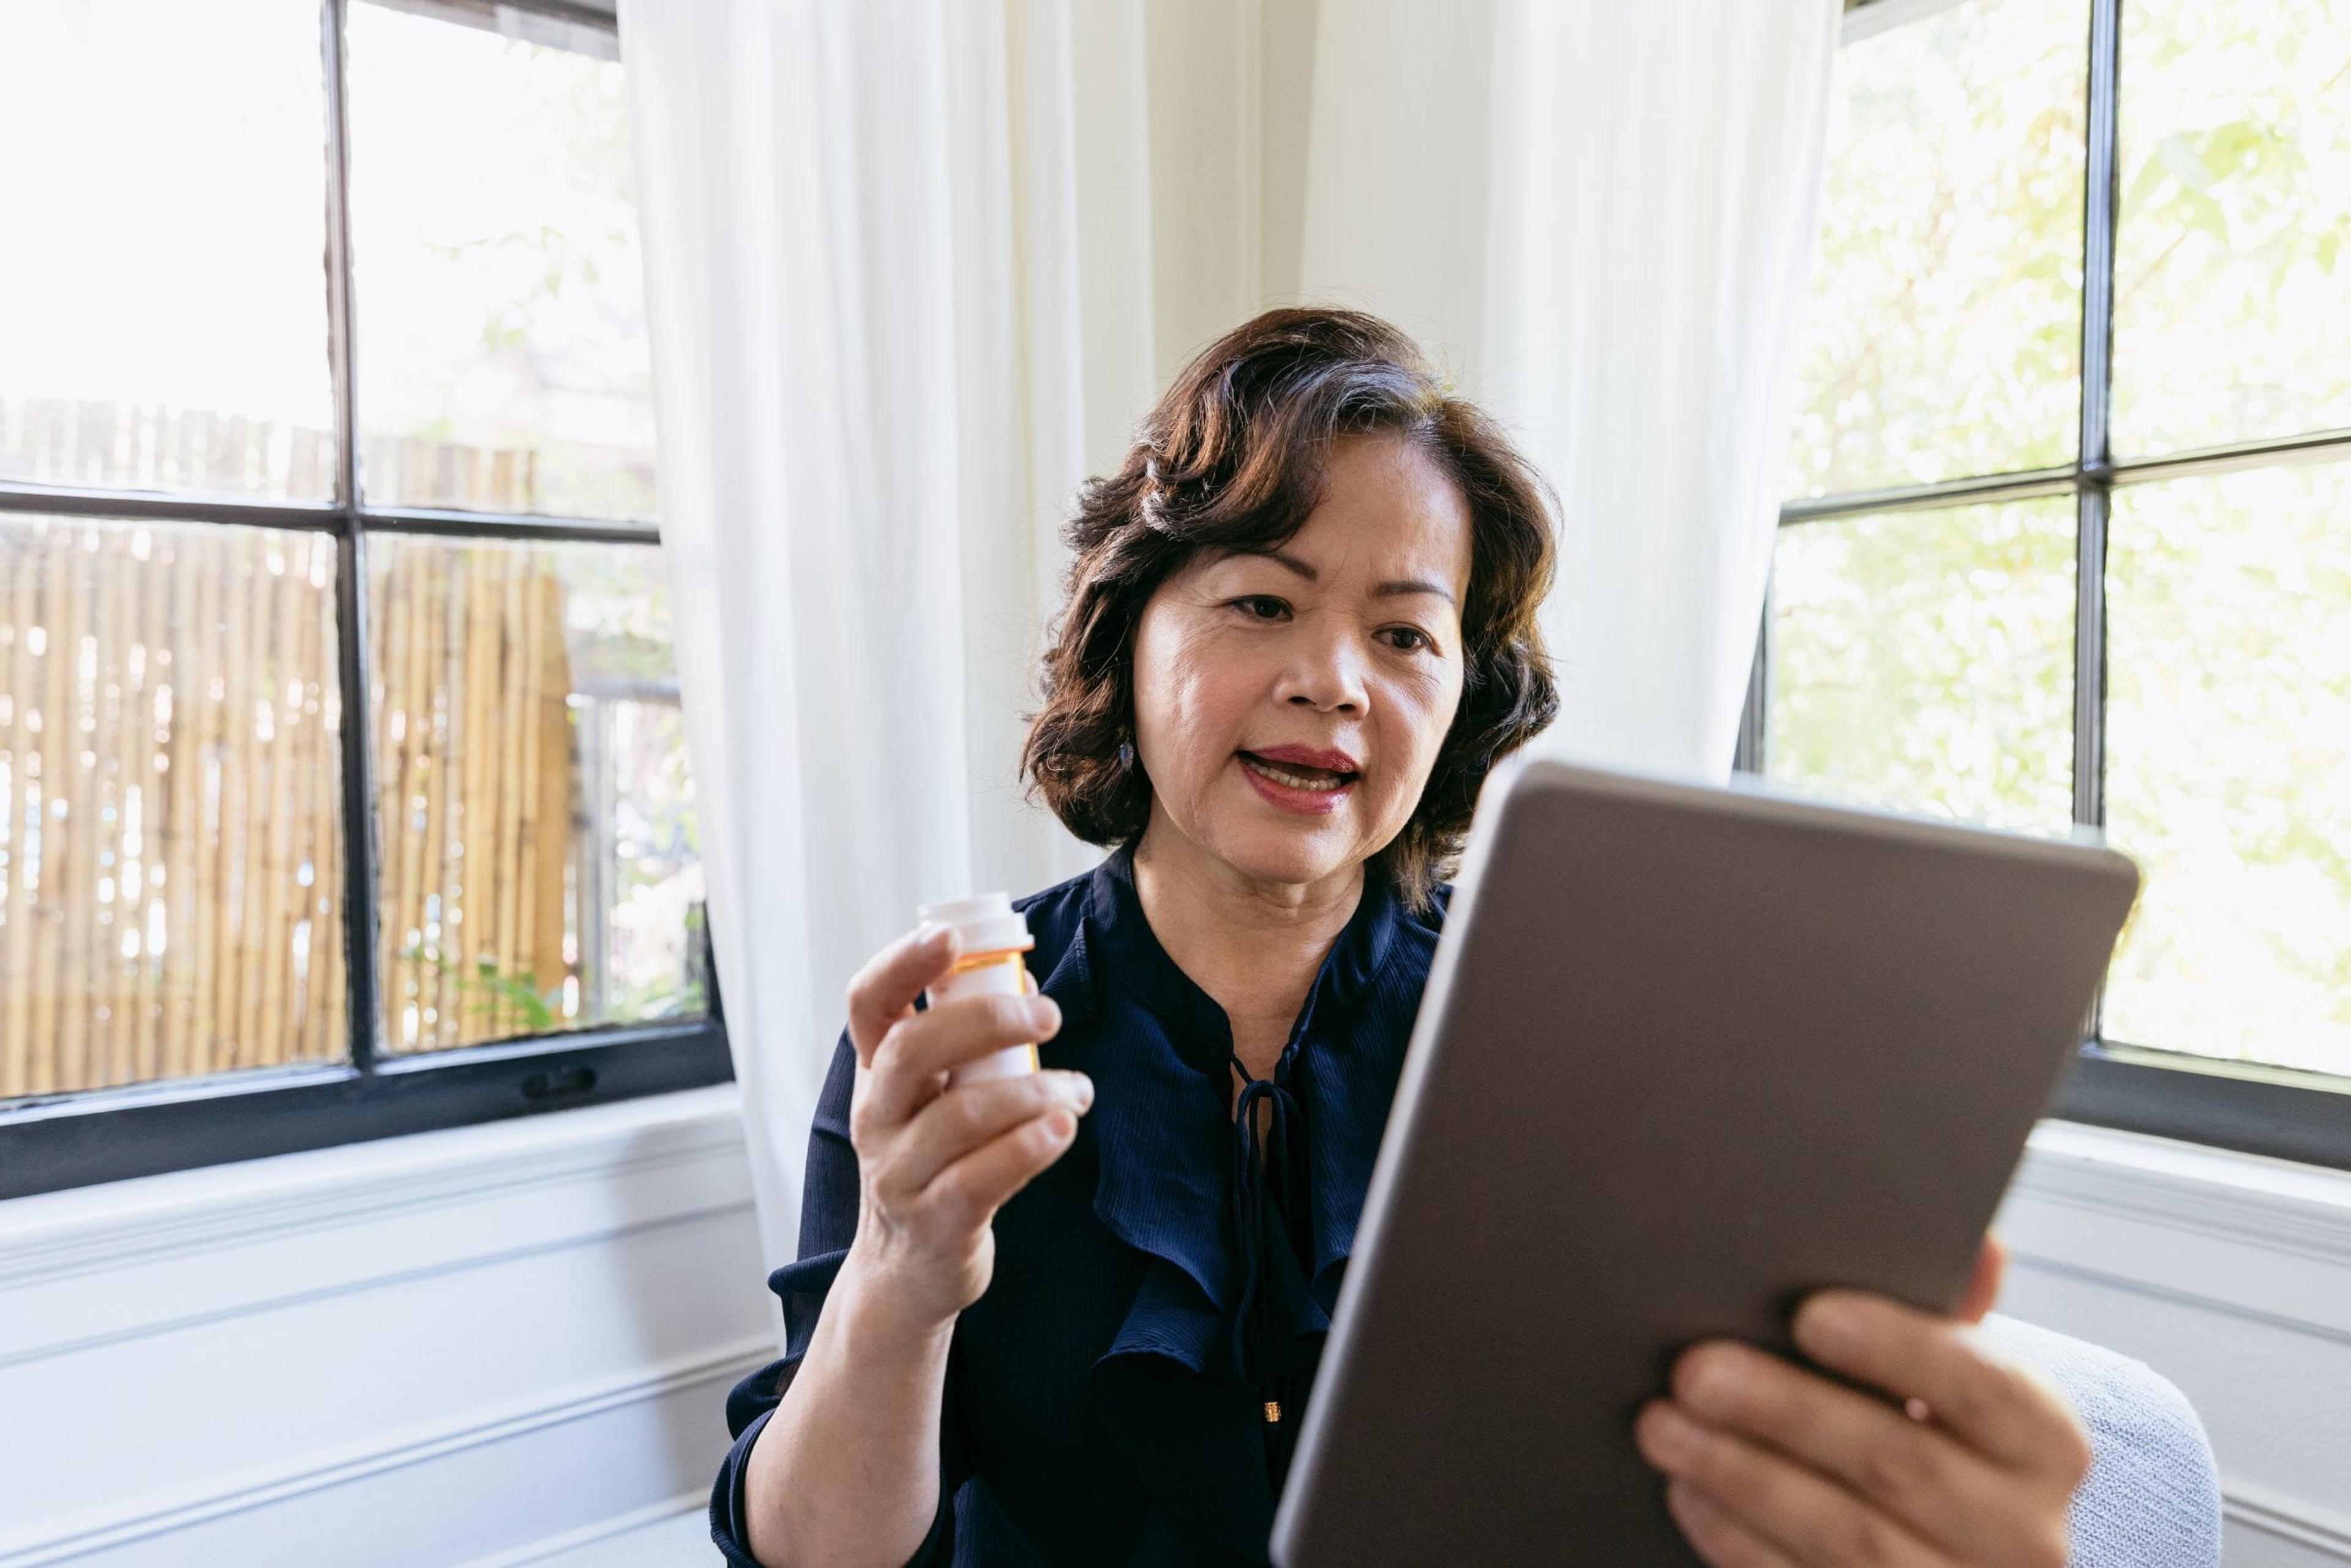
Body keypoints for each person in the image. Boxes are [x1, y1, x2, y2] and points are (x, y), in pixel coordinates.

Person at [708, 308, 2090, 1568]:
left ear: (1460, 705)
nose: (1333, 683)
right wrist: (901, 1272)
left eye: (1406, 636)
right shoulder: (957, 1033)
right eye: (1262, 603)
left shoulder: (1559, 1037)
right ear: (1125, 641)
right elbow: (809, 1556)